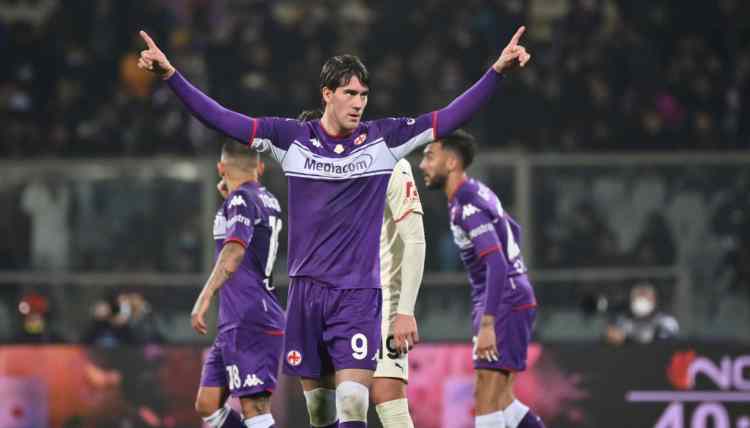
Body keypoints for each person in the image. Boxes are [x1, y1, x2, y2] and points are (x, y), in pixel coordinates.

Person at [137, 26, 530, 427]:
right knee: (321, 414)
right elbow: (221, 118)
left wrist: (496, 71)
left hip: (357, 296)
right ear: (327, 93)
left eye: (363, 95)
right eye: (349, 93)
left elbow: (447, 118)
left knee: (354, 403)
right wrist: (171, 76)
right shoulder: (291, 139)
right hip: (306, 293)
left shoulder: (383, 140)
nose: (358, 103)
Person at [297, 108, 426, 428]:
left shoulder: (389, 160)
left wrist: (405, 311)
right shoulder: (314, 178)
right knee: (322, 407)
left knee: (385, 395)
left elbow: (415, 240)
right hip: (328, 301)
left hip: (381, 300)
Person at [419, 130, 545, 428]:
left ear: (451, 163)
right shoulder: (476, 191)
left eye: (430, 157)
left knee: (486, 395)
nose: (423, 165)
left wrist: (489, 323)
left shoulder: (468, 206)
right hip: (510, 295)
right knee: (503, 400)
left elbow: (497, 264)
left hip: (503, 301)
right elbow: (514, 230)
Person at [190, 142, 286, 428]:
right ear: (260, 168)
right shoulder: (266, 199)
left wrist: (205, 297)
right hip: (238, 317)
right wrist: (230, 199)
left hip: (250, 316)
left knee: (255, 407)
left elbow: (234, 252)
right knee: (208, 403)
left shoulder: (241, 200)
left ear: (221, 168)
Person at [606, 282, 679, 345]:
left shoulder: (666, 321)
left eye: (645, 295)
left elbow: (667, 342)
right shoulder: (622, 321)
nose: (641, 300)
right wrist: (613, 336)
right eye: (637, 296)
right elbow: (611, 336)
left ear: (654, 300)